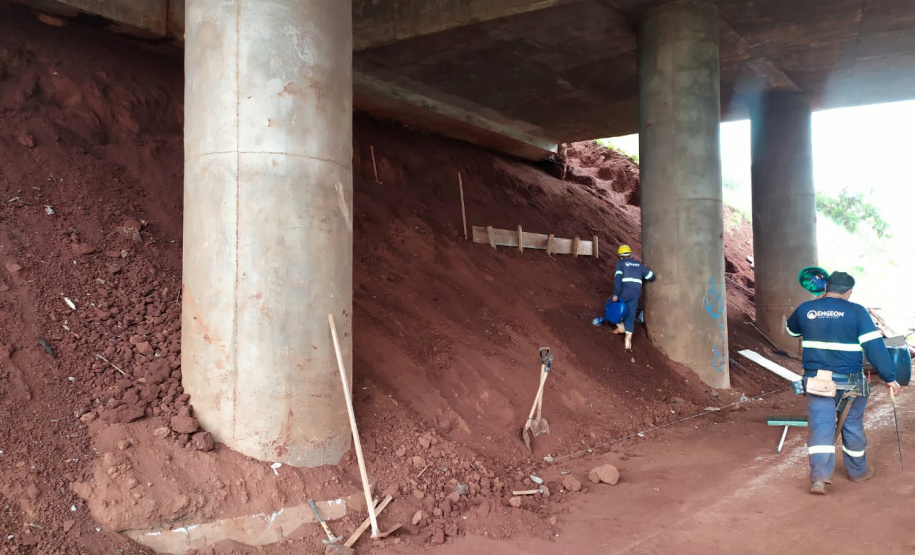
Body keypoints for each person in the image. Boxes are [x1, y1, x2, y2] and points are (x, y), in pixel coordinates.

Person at [786, 271, 901, 495]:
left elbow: (792, 330)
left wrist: (816, 308)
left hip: (818, 380)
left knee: (821, 426)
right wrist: (889, 377)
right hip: (851, 382)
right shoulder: (856, 311)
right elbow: (875, 348)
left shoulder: (806, 308)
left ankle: (819, 478)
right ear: (849, 292)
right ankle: (858, 472)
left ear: (826, 287)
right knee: (851, 424)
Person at [611, 244, 655, 351]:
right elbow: (651, 277)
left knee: (613, 306)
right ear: (629, 254)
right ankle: (628, 341)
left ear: (620, 256)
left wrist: (616, 294)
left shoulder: (620, 264)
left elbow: (618, 280)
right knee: (631, 315)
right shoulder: (639, 265)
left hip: (624, 291)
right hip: (635, 293)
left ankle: (620, 325)